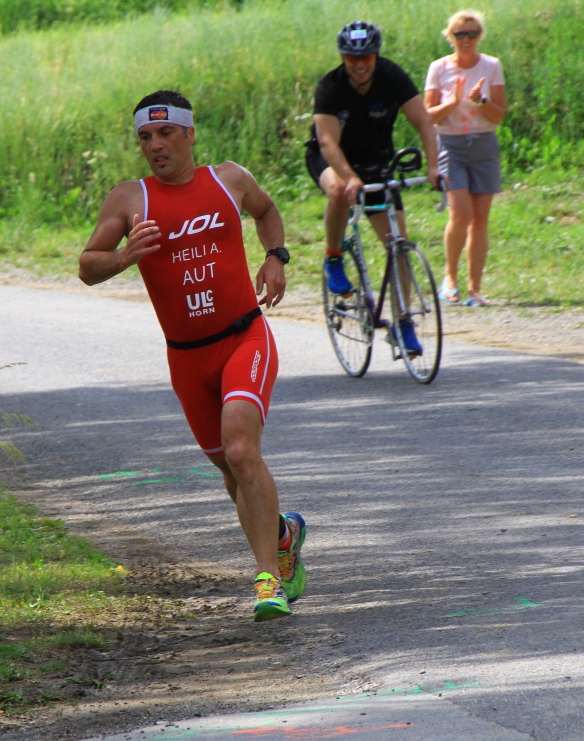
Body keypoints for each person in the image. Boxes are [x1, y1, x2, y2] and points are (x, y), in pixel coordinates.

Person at [79, 90, 307, 622]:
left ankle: (268, 581)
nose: (155, 145)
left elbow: (267, 210)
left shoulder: (228, 180)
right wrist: (125, 255)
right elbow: (88, 266)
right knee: (231, 471)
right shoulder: (130, 200)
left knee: (242, 451)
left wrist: (275, 257)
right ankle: (283, 535)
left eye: (165, 133)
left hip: (244, 337)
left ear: (189, 133)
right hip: (186, 358)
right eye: (145, 137)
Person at [306, 20, 441, 353]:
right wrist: (350, 177)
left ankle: (403, 324)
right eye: (352, 58)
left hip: (375, 162)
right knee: (339, 189)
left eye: (366, 57)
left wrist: (435, 167)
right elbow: (327, 142)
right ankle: (334, 258)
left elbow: (424, 121)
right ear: (343, 58)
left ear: (376, 55)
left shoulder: (391, 76)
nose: (360, 64)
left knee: (398, 246)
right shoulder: (330, 87)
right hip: (330, 157)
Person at [424, 10, 506, 307]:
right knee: (461, 214)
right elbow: (428, 116)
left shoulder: (491, 66)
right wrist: (453, 102)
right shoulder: (439, 68)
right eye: (460, 34)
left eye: (472, 33)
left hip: (484, 145)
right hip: (450, 146)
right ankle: (450, 279)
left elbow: (498, 115)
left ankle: (474, 289)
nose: (466, 39)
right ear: (451, 37)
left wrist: (481, 100)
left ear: (480, 36)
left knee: (480, 219)